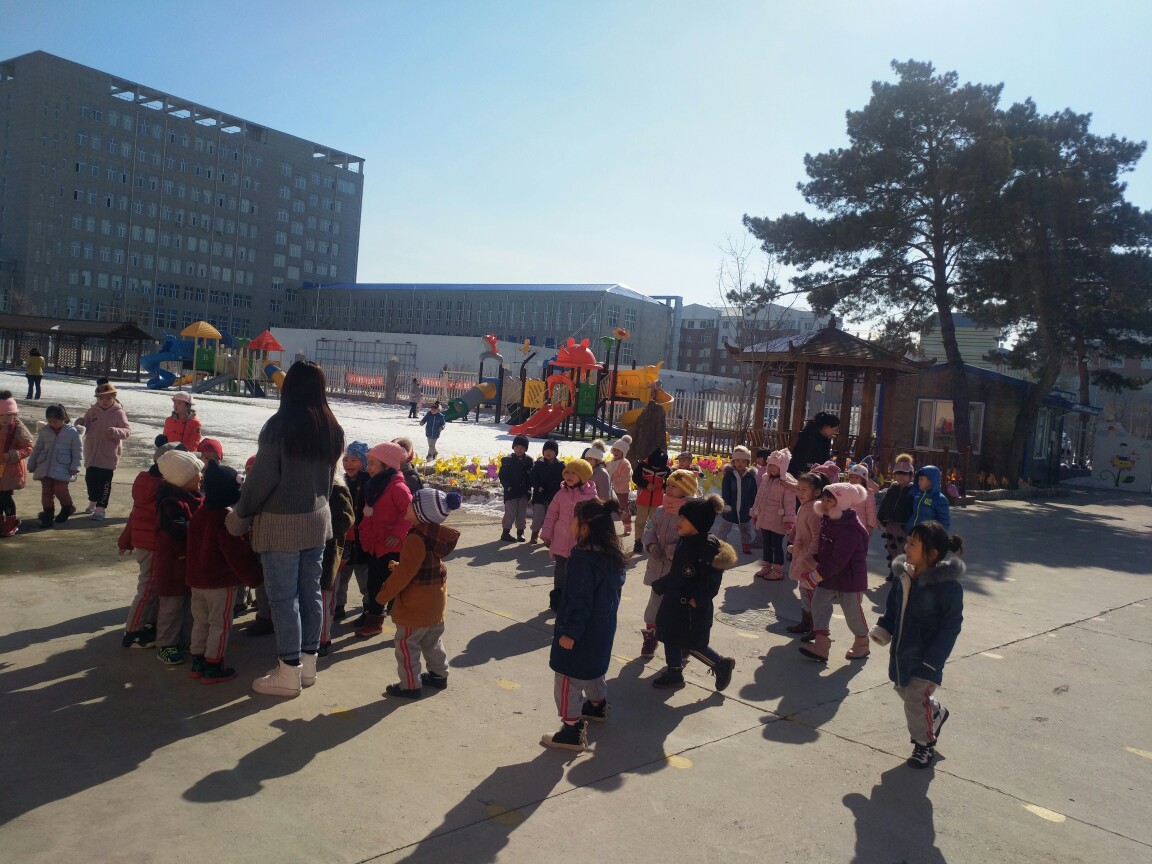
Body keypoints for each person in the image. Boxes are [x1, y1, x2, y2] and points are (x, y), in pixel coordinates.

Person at [226, 361, 345, 698]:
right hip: (317, 520)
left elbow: (262, 479)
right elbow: (329, 479)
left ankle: (288, 671)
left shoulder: (279, 427)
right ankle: (307, 666)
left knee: (283, 599)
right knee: (310, 594)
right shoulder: (331, 427)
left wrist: (239, 516)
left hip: (281, 525)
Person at [870, 521, 964, 769]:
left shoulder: (947, 587)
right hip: (902, 652)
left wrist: (934, 659)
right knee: (904, 690)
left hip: (927, 658)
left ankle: (924, 745)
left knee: (914, 698)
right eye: (908, 541)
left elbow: (951, 627)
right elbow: (893, 611)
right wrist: (883, 629)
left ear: (932, 554)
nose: (906, 547)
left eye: (913, 544)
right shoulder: (903, 577)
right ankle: (935, 712)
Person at [542, 498, 627, 752]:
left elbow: (580, 599)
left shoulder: (583, 559)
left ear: (585, 527)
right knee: (593, 670)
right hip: (602, 628)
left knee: (568, 678)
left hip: (580, 632)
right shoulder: (612, 556)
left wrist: (570, 632)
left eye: (574, 520)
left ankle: (571, 731)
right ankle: (597, 705)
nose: (571, 525)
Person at [377, 488, 463, 698]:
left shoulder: (415, 538)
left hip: (416, 605)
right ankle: (439, 674)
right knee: (431, 640)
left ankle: (410, 685)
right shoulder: (433, 534)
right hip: (434, 602)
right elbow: (423, 563)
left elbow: (405, 574)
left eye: (411, 505)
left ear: (421, 513)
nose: (407, 506)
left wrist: (383, 595)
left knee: (407, 645)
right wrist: (402, 565)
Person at [649, 495, 737, 692]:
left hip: (691, 607)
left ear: (698, 522)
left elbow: (711, 579)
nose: (678, 522)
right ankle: (674, 672)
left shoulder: (706, 547)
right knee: (671, 636)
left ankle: (720, 663)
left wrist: (698, 598)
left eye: (684, 518)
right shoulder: (685, 540)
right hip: (674, 601)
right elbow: (678, 571)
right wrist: (663, 584)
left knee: (692, 642)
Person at [186, 461, 264, 683]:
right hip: (220, 583)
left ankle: (198, 660)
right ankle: (214, 664)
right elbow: (236, 555)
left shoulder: (199, 513)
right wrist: (255, 577)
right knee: (220, 624)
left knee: (200, 621)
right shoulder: (226, 519)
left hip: (197, 581)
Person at [117, 438, 184, 648]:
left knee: (151, 585)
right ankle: (133, 631)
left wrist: (126, 540)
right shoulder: (163, 488)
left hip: (142, 542)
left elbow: (134, 515)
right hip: (153, 544)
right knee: (148, 587)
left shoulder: (144, 481)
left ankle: (146, 624)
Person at [798, 483, 871, 663]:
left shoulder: (850, 528)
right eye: (823, 499)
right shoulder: (829, 519)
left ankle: (862, 642)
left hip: (849, 578)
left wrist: (815, 576)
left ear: (841, 503)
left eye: (829, 500)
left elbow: (839, 559)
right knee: (818, 605)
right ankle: (822, 645)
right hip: (829, 576)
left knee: (852, 612)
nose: (823, 503)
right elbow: (826, 550)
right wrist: (813, 558)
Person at [354, 441, 413, 638]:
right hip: (376, 543)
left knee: (391, 586)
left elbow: (408, 513)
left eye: (372, 464)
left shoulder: (398, 488)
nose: (368, 468)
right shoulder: (375, 484)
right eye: (368, 463)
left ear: (387, 466)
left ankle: (398, 621)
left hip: (392, 546)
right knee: (374, 584)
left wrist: (397, 533)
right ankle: (375, 620)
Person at [152, 449, 205, 666]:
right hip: (173, 564)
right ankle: (166, 644)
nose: (201, 476)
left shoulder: (195, 496)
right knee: (171, 607)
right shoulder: (170, 502)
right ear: (182, 479)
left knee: (190, 605)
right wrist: (202, 529)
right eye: (196, 473)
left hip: (190, 562)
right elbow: (178, 529)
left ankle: (185, 640)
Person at [638, 468, 695, 657]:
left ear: (686, 490)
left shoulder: (690, 514)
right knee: (654, 606)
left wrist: (672, 551)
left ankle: (683, 642)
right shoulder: (660, 510)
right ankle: (651, 637)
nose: (668, 488)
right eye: (668, 485)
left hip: (676, 571)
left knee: (678, 609)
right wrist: (651, 545)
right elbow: (650, 529)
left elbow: (691, 541)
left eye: (674, 486)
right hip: (657, 567)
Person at [541, 458, 597, 612]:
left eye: (574, 473)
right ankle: (558, 599)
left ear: (583, 477)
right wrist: (546, 532)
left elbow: (595, 521)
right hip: (560, 540)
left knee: (576, 573)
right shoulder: (560, 494)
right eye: (567, 472)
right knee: (560, 571)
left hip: (579, 543)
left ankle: (573, 601)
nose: (569, 476)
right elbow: (551, 514)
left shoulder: (590, 497)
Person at [74, 381, 131, 520]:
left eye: (108, 398)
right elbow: (84, 428)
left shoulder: (119, 413)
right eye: (101, 398)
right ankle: (93, 501)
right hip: (92, 453)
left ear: (114, 398)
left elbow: (127, 431)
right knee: (90, 480)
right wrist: (80, 423)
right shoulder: (92, 411)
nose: (104, 401)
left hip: (108, 454)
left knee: (104, 483)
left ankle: (101, 508)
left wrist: (116, 431)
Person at [785, 471, 830, 639]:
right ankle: (805, 622)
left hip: (810, 560)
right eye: (798, 488)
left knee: (811, 593)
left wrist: (809, 557)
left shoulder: (815, 510)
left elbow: (817, 538)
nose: (800, 493)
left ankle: (815, 627)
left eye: (804, 489)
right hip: (802, 554)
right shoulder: (805, 506)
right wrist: (792, 540)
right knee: (804, 590)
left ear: (817, 492)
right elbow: (799, 527)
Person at [333, 441, 371, 623]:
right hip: (345, 541)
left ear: (363, 462)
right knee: (340, 577)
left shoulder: (370, 482)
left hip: (363, 542)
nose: (349, 463)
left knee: (365, 579)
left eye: (354, 460)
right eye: (346, 459)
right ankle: (338, 606)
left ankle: (369, 608)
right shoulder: (341, 481)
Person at [27, 403, 82, 528]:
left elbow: (77, 451)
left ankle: (67, 507)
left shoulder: (73, 432)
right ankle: (48, 516)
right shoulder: (45, 431)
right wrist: (32, 463)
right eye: (50, 421)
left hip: (63, 467)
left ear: (64, 418)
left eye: (55, 421)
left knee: (60, 490)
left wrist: (75, 466)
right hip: (45, 467)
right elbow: (38, 448)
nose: (52, 424)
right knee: (46, 492)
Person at [318, 473, 355, 657]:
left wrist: (322, 532)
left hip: (328, 552)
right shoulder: (314, 483)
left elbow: (346, 520)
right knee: (319, 599)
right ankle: (317, 638)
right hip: (315, 552)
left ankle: (322, 640)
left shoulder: (336, 489)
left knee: (325, 599)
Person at [750, 448, 796, 580]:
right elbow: (759, 497)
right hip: (765, 518)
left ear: (782, 467)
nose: (771, 468)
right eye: (770, 465)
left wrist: (789, 520)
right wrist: (755, 513)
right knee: (766, 544)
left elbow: (790, 503)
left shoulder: (786, 482)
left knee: (776, 545)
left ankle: (777, 570)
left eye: (775, 466)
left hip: (778, 520)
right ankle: (766, 566)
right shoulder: (766, 479)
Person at [877, 454, 917, 580]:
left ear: (910, 475)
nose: (900, 477)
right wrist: (880, 518)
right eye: (898, 474)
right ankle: (893, 570)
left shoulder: (913, 491)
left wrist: (911, 524)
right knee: (891, 547)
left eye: (904, 474)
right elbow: (884, 504)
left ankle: (902, 571)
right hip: (890, 523)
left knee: (902, 549)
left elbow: (915, 510)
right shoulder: (893, 488)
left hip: (903, 525)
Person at [0, 391, 34, 537]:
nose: (5, 418)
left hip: (10, 469)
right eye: (1, 415)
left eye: (9, 415)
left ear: (14, 414)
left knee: (5, 496)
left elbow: (28, 447)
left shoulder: (18, 428)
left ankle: (10, 522)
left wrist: (11, 455)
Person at [717, 446, 757, 554]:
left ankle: (746, 544)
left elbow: (753, 492)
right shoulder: (729, 475)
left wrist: (754, 506)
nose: (740, 463)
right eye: (737, 460)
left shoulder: (750, 477)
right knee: (724, 527)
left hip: (745, 507)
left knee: (746, 528)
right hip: (730, 507)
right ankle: (719, 544)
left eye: (743, 461)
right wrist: (726, 504)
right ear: (733, 461)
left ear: (747, 462)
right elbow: (725, 490)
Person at [632, 447, 670, 555]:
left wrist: (664, 487)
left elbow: (669, 480)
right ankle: (638, 541)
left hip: (657, 500)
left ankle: (653, 542)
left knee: (654, 523)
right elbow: (635, 478)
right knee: (640, 522)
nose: (656, 468)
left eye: (659, 467)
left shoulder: (666, 470)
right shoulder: (642, 466)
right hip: (643, 498)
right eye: (654, 466)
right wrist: (646, 484)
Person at [499, 434, 533, 543]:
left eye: (522, 447)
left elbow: (531, 476)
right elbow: (502, 476)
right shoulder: (507, 460)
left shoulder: (528, 461)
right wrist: (508, 487)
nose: (519, 449)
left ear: (526, 449)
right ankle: (505, 532)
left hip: (523, 492)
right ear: (513, 447)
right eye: (517, 446)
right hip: (511, 492)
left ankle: (520, 532)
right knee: (510, 513)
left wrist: (529, 488)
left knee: (522, 513)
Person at [788, 411, 840, 477]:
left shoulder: (823, 439)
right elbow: (802, 460)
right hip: (805, 475)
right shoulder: (808, 439)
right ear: (826, 427)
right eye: (833, 429)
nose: (834, 432)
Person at [905, 465, 952, 533]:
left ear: (931, 481)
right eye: (918, 479)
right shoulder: (918, 496)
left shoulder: (940, 499)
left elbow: (944, 522)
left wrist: (937, 536)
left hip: (928, 535)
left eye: (921, 479)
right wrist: (908, 527)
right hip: (914, 533)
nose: (918, 482)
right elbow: (914, 515)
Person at [607, 435, 633, 535]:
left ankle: (627, 525)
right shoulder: (610, 462)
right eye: (614, 450)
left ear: (623, 452)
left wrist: (614, 482)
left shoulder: (625, 463)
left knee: (623, 508)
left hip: (622, 489)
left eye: (618, 451)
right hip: (611, 488)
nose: (616, 452)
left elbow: (626, 477)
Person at [847, 462, 881, 536]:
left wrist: (870, 527)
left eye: (857, 477)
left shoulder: (868, 494)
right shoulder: (845, 490)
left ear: (862, 479)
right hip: (845, 524)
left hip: (860, 525)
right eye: (851, 477)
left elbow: (871, 511)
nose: (853, 480)